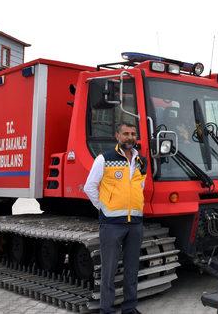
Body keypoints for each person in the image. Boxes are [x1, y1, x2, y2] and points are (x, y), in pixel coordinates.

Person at [83, 122, 147, 314]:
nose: (130, 137)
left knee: (132, 270)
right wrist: (104, 208)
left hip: (135, 223)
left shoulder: (140, 161)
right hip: (111, 225)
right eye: (126, 133)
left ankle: (129, 308)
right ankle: (107, 310)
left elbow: (140, 187)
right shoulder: (104, 158)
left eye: (133, 134)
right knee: (109, 271)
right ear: (117, 136)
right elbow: (89, 187)